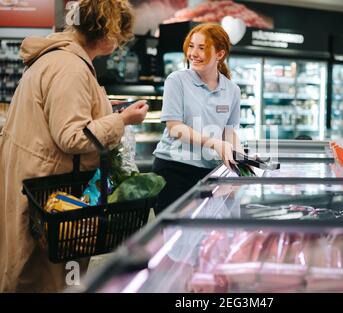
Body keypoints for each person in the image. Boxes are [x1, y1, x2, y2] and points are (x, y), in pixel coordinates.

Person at [0, 0, 149, 292]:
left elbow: (63, 115)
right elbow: (73, 137)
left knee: (28, 268)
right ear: (106, 32)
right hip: (51, 187)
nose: (119, 44)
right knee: (48, 276)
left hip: (34, 176)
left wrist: (106, 110)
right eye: (119, 36)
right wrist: (124, 121)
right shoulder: (71, 67)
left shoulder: (59, 58)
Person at [152, 23, 244, 214]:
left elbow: (229, 131)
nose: (193, 53)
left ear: (219, 54)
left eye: (201, 48)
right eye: (191, 46)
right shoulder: (176, 80)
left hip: (210, 172)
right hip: (174, 169)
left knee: (202, 234)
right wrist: (215, 144)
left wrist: (241, 160)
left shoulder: (232, 90)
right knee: (173, 234)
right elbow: (174, 127)